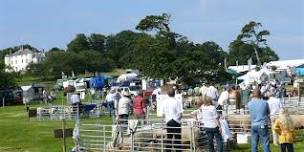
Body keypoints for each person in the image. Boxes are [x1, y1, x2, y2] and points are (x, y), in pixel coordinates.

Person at [162, 88, 183, 152]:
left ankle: (168, 150)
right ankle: (178, 150)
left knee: (169, 137)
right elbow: (180, 113)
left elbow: (163, 114)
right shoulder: (177, 101)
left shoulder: (165, 102)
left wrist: (166, 119)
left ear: (168, 94)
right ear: (174, 93)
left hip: (168, 121)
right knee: (177, 138)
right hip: (176, 121)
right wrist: (179, 118)